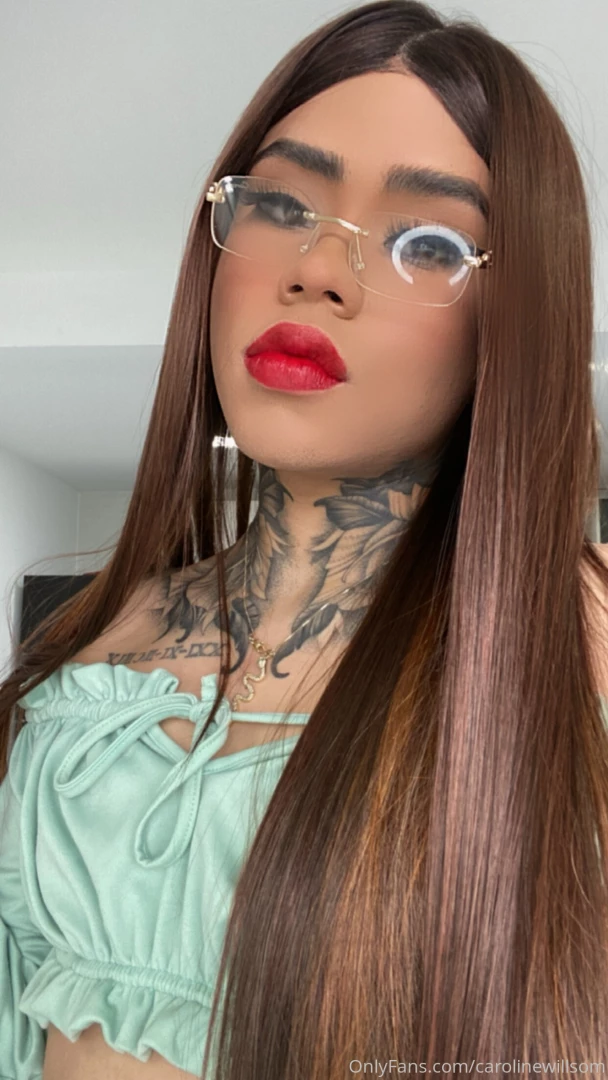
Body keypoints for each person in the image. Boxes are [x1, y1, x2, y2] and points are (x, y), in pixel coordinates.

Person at [1, 0, 608, 1076]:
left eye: (426, 242)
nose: (318, 268)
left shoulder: (573, 650)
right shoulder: (99, 642)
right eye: (282, 204)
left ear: (514, 322)